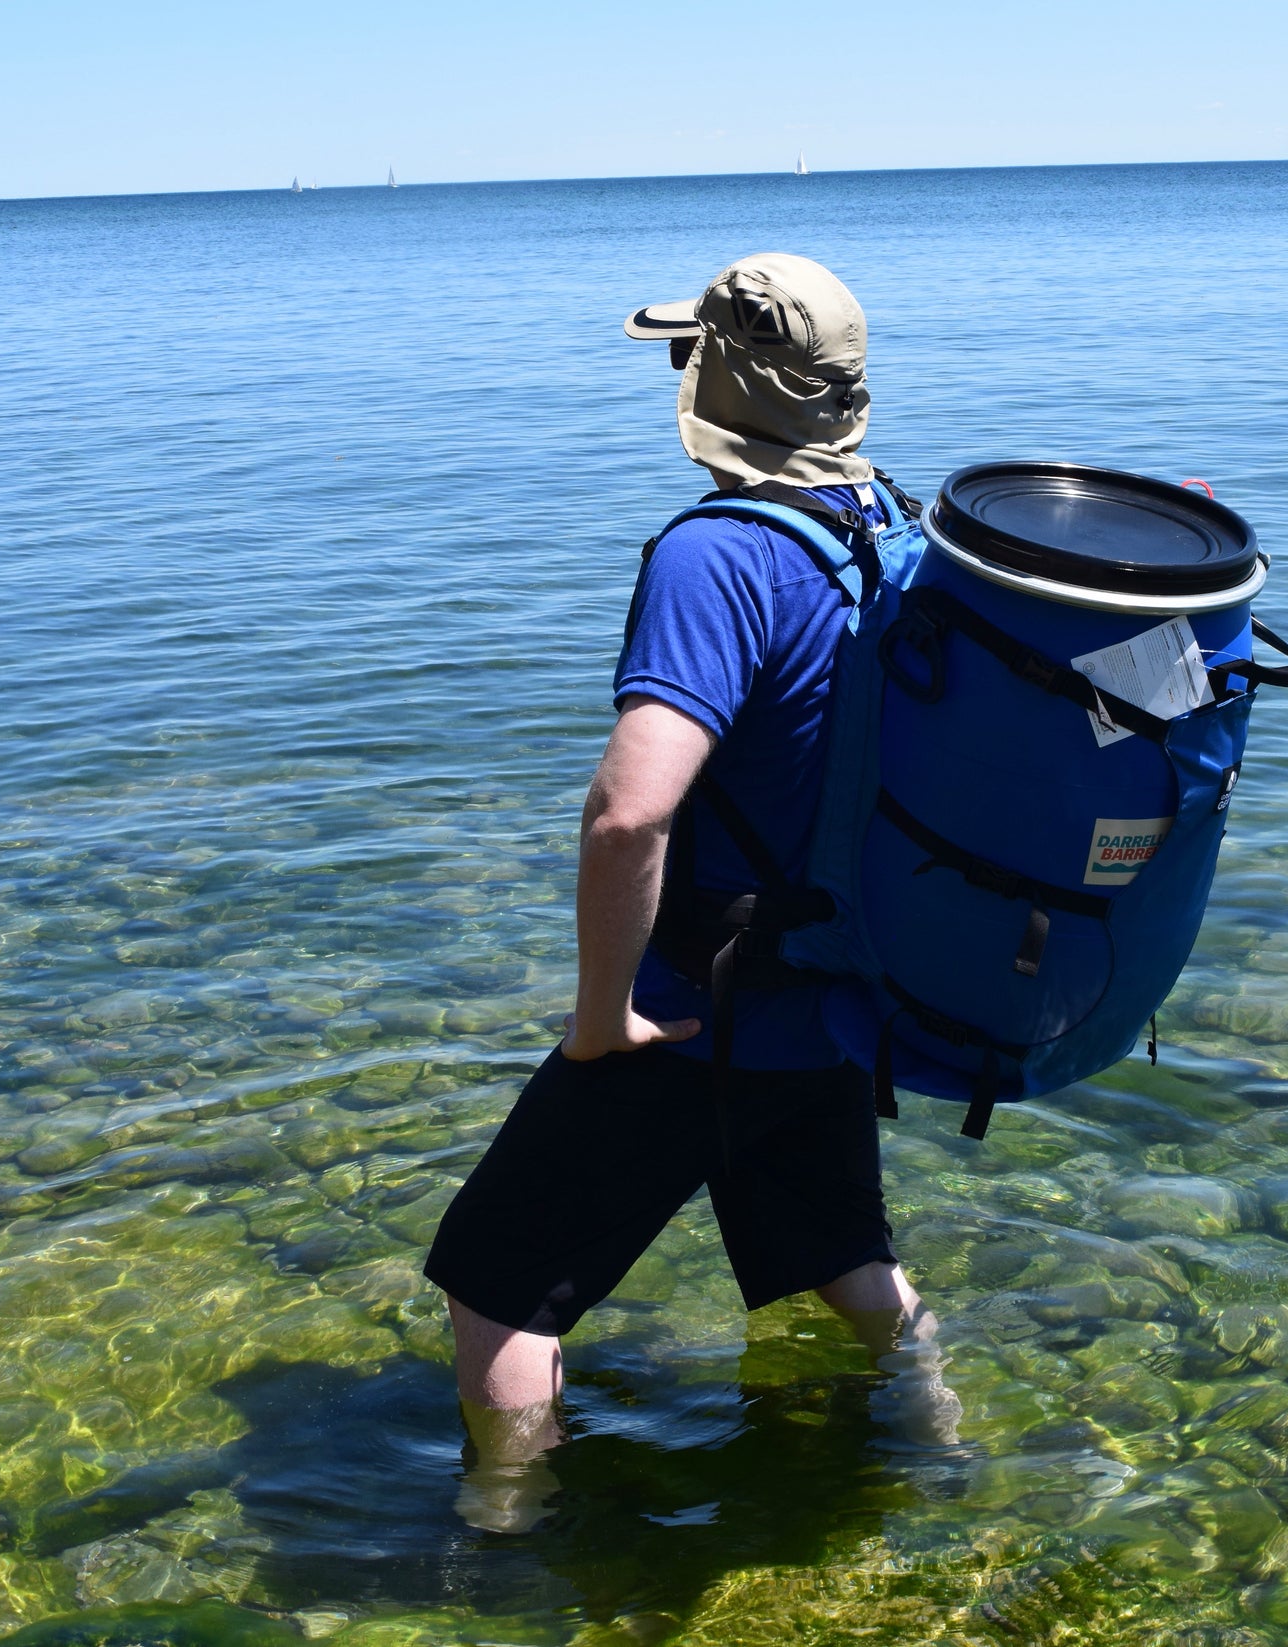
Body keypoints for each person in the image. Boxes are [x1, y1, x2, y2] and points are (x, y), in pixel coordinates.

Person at [423, 254, 958, 1525]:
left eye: (691, 356)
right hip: (827, 995)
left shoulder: (715, 558)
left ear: (719, 379)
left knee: (497, 1284)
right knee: (843, 1257)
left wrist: (603, 1020)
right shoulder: (889, 525)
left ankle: (501, 1538)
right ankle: (943, 1448)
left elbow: (630, 812)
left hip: (694, 1012)